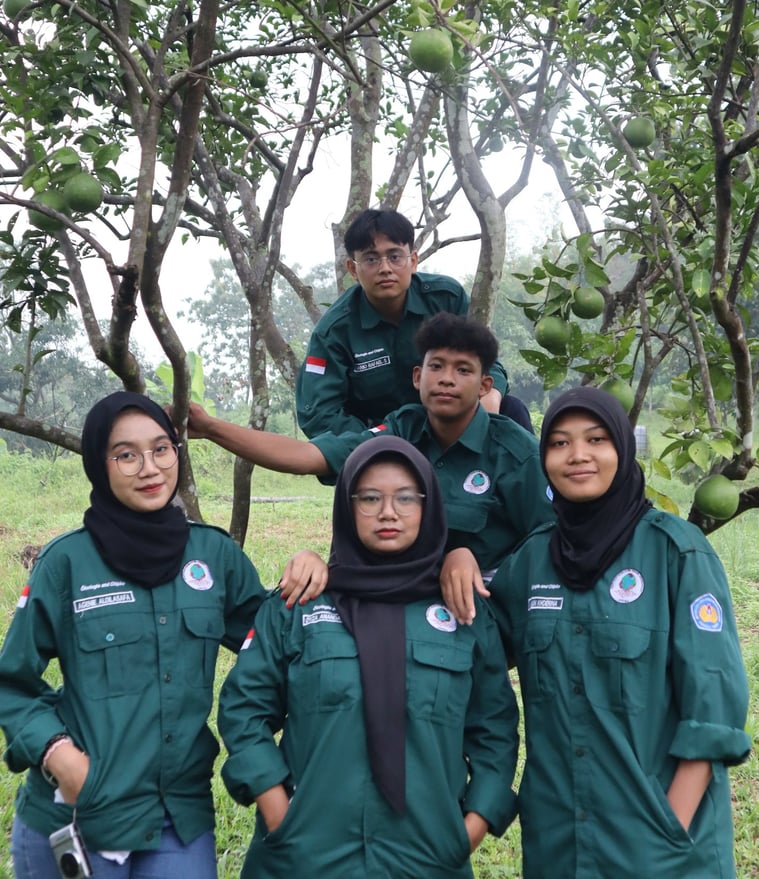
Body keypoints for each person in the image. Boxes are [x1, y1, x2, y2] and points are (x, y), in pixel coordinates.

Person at [448, 386, 752, 877]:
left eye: (596, 439)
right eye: (560, 443)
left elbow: (712, 710)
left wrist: (669, 831)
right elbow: (472, 648)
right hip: (559, 844)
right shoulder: (532, 559)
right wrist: (455, 556)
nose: (578, 455)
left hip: (661, 847)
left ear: (623, 449)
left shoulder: (676, 551)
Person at [217, 436, 519, 878]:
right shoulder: (300, 603)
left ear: (429, 507)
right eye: (370, 498)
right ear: (347, 505)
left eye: (406, 498)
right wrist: (279, 813)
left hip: (427, 858)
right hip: (304, 857)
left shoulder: (463, 611)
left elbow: (495, 729)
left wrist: (468, 830)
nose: (388, 512)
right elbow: (244, 708)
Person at [0, 392, 268, 879]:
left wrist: (312, 570)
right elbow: (10, 683)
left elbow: (275, 643)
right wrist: (59, 754)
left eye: (161, 449)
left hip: (177, 815)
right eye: (126, 455)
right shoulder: (66, 563)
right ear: (98, 464)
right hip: (80, 811)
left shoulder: (214, 556)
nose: (150, 468)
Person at [185, 314, 553, 596]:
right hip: (399, 595)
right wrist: (211, 428)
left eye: (463, 370)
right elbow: (311, 456)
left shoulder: (515, 454)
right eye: (436, 366)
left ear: (485, 385)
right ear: (417, 377)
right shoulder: (404, 428)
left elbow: (548, 547)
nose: (446, 379)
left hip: (481, 605)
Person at [295, 208, 533, 437]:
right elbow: (319, 414)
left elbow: (487, 363)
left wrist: (490, 399)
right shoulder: (334, 331)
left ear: (414, 260)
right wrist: (380, 442)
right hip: (381, 439)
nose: (385, 268)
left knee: (512, 409)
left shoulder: (446, 299)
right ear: (352, 269)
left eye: (395, 257)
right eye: (371, 259)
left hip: (453, 422)